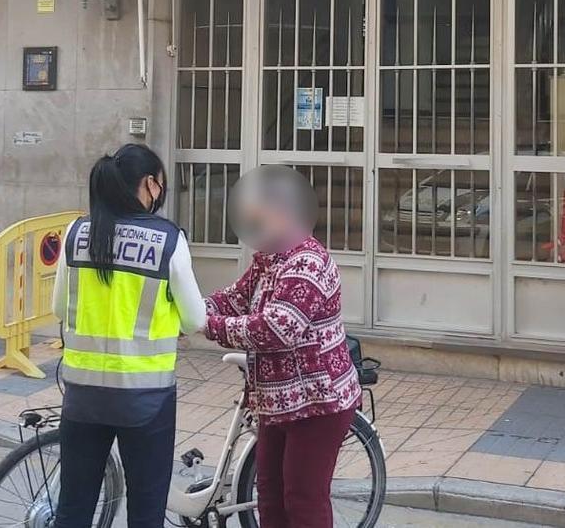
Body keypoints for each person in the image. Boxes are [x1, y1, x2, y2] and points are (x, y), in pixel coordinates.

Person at [51, 143, 205, 528]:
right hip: (145, 401)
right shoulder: (167, 239)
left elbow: (59, 308)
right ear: (150, 184)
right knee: (146, 512)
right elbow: (195, 319)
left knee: (73, 508)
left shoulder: (77, 233)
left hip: (82, 396)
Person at [202, 166, 362, 528]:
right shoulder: (269, 259)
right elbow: (235, 298)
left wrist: (210, 327)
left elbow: (277, 328)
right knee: (270, 495)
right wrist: (193, 309)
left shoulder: (308, 262)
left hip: (318, 403)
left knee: (303, 498)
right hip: (277, 401)